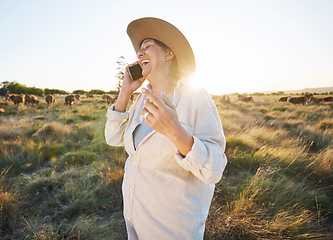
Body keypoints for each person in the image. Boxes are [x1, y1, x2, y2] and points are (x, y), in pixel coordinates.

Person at [105, 17, 227, 240]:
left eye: (147, 46)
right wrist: (125, 91)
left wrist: (175, 132)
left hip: (174, 228)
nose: (140, 53)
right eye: (139, 49)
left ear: (169, 54)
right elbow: (113, 138)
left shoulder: (194, 96)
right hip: (136, 221)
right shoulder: (141, 101)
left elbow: (214, 169)